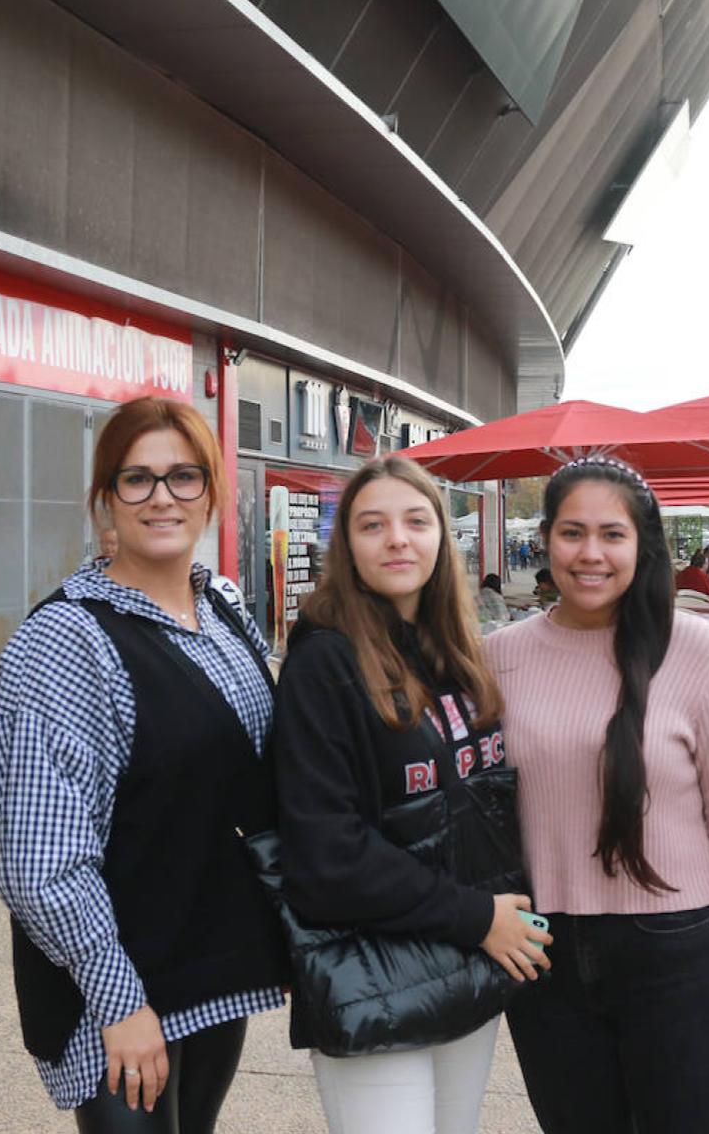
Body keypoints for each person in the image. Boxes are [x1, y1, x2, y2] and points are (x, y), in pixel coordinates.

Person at [0, 396, 287, 1132]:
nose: (162, 498)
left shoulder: (218, 605)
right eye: (137, 479)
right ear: (104, 503)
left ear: (212, 495)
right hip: (115, 988)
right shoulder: (68, 639)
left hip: (207, 962)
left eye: (184, 477)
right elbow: (41, 860)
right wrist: (118, 1001)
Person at [485, 456, 709, 1134]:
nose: (590, 554)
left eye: (612, 535)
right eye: (571, 533)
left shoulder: (699, 653)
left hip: (678, 956)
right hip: (544, 958)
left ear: (642, 546)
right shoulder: (500, 658)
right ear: (546, 540)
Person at [270, 456, 551, 1134]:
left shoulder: (455, 650)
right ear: (348, 546)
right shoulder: (324, 661)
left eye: (416, 521)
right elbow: (326, 854)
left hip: (466, 961)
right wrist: (477, 916)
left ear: (440, 538)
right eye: (373, 524)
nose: (397, 538)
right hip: (375, 972)